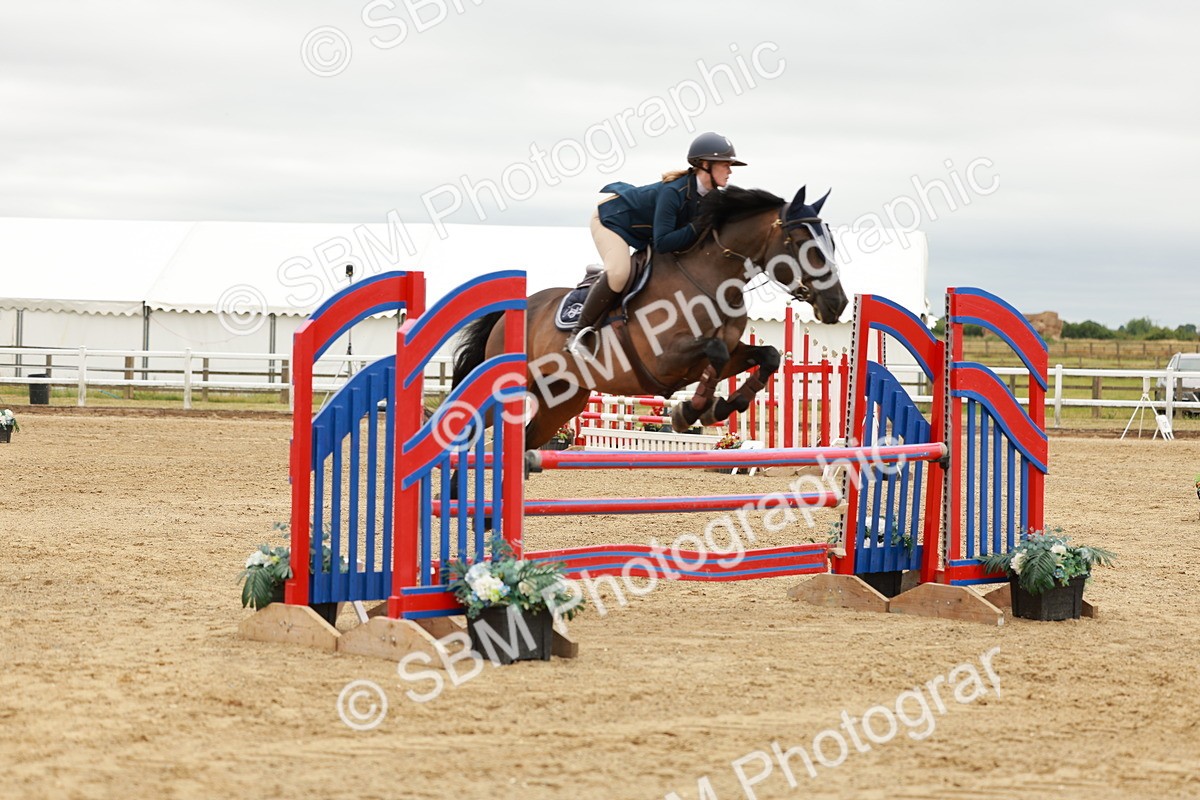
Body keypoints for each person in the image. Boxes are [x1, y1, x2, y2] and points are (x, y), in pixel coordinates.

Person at [566, 131, 746, 354]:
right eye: (725, 165)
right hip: (612, 220)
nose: (730, 171)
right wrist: (697, 226)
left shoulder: (712, 196)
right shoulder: (673, 192)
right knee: (619, 273)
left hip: (644, 231)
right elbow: (663, 242)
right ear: (705, 165)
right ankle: (579, 334)